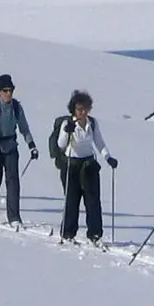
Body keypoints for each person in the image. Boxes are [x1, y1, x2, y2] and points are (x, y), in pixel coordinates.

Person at [53, 90, 117, 245]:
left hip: (89, 165)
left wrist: (108, 157)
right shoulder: (67, 123)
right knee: (71, 200)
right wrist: (67, 131)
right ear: (73, 109)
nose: (83, 112)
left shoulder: (92, 123)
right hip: (72, 164)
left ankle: (95, 234)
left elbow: (99, 142)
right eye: (79, 109)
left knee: (93, 201)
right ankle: (68, 233)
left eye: (86, 108)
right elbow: (61, 145)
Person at [0, 76, 36, 227]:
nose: (9, 93)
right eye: (5, 90)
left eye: (11, 90)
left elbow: (24, 128)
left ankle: (14, 217)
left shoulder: (16, 107)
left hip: (11, 147)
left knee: (13, 182)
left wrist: (31, 145)